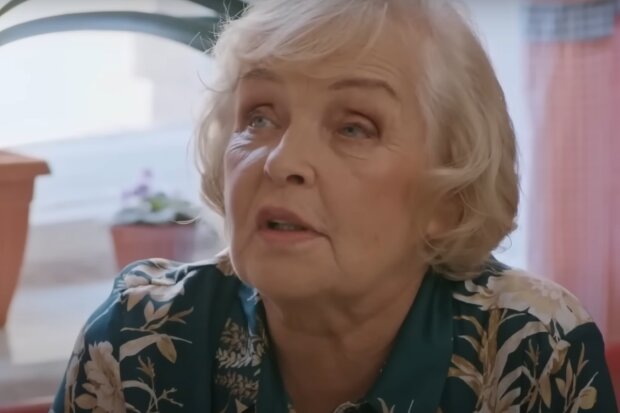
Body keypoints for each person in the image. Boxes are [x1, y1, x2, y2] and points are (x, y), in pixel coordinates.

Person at [51, 0, 619, 412]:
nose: (281, 161)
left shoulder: (532, 349)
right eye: (259, 117)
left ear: (450, 196)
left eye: (353, 127)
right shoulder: (138, 339)